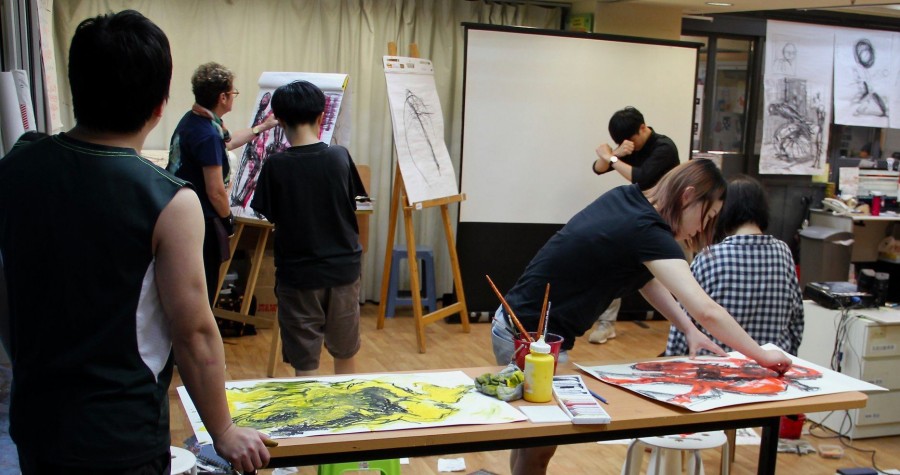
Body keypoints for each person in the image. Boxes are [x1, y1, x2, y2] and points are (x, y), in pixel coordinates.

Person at [0, 10, 271, 473]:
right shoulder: (168, 200)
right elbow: (194, 332)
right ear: (161, 103)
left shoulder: (15, 169)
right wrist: (223, 431)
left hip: (37, 421)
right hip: (121, 433)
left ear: (75, 87)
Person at [490, 159, 792, 475]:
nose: (702, 228)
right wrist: (762, 355)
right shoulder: (647, 231)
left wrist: (688, 328)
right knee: (539, 445)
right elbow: (708, 310)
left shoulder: (627, 201)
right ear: (688, 196)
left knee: (534, 441)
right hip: (526, 335)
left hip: (525, 328)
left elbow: (647, 281)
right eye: (708, 216)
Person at [250, 80, 363, 377]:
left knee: (305, 364)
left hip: (298, 275)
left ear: (279, 120)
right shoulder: (339, 157)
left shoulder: (275, 165)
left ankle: (310, 409)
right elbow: (351, 204)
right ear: (321, 116)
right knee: (345, 353)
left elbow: (269, 214)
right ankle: (348, 406)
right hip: (343, 270)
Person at [167, 61, 278, 305]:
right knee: (203, 291)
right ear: (223, 97)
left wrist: (263, 127)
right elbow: (216, 191)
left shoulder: (197, 120)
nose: (233, 97)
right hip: (201, 221)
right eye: (233, 92)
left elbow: (228, 143)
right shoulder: (208, 134)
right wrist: (228, 220)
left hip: (184, 214)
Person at [665, 175, 804, 357]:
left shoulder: (709, 257)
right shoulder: (783, 253)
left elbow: (684, 320)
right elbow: (796, 320)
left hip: (717, 365)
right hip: (771, 366)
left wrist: (673, 357)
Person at [588, 106, 682, 344]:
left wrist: (611, 156)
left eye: (630, 139)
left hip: (668, 220)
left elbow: (641, 177)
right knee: (615, 263)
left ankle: (688, 324)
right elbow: (598, 169)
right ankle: (606, 324)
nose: (628, 144)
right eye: (621, 142)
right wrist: (613, 154)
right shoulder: (629, 146)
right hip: (639, 217)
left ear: (642, 128)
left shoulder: (664, 147)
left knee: (680, 272)